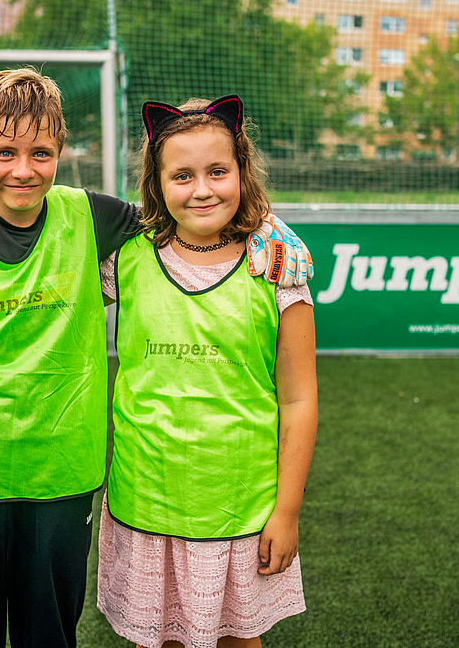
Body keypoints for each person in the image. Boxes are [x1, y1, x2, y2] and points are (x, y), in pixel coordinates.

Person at [0, 69, 311, 648]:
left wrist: (270, 226)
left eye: (40, 153)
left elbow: (188, 208)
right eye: (4, 152)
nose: (22, 169)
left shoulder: (95, 219)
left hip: (59, 485)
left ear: (60, 153)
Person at [96, 95, 318, 648]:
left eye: (218, 171)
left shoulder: (279, 267)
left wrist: (286, 511)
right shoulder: (125, 259)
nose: (202, 189)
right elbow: (43, 259)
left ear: (242, 172)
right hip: (146, 499)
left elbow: (298, 399)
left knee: (238, 640)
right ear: (156, 181)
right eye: (182, 175)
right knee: (162, 638)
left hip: (240, 506)